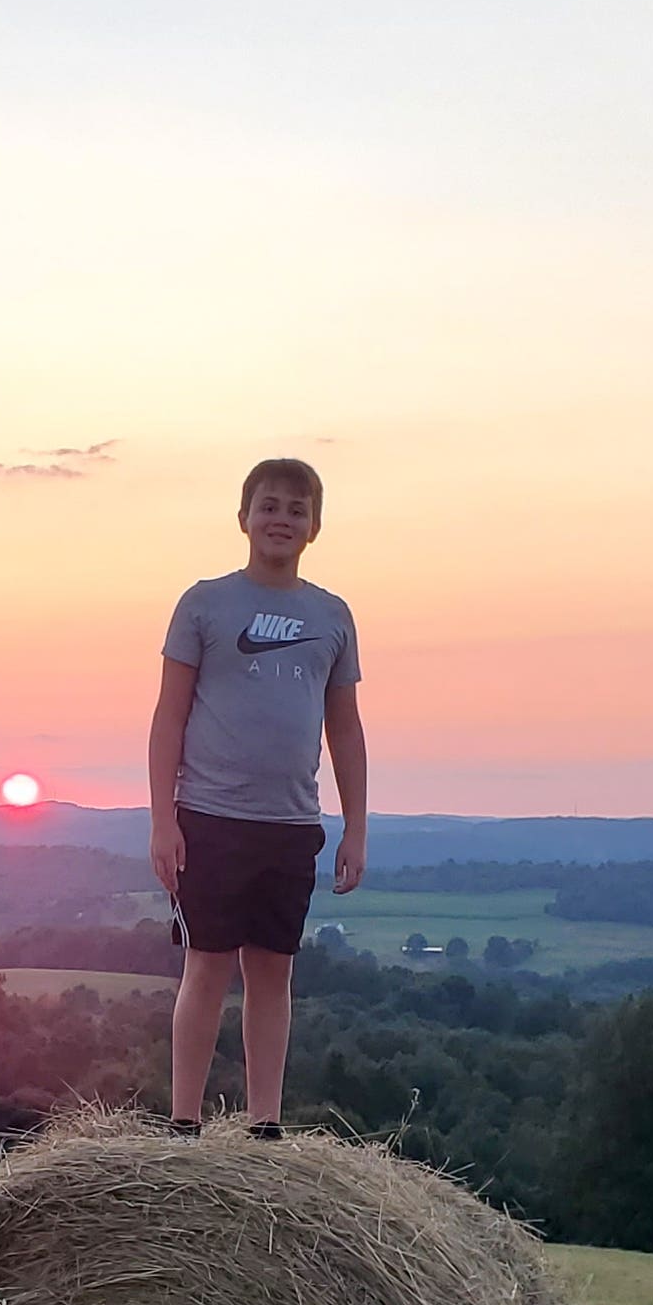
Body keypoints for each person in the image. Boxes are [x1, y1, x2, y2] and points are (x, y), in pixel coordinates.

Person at [148, 457, 366, 1134]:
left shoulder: (332, 615)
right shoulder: (205, 603)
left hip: (292, 822)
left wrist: (355, 827)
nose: (282, 519)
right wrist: (163, 821)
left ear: (315, 527)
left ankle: (262, 1125)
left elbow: (346, 727)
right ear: (243, 517)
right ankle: (184, 1122)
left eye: (297, 511)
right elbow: (168, 718)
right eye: (269, 505)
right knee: (206, 967)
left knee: (273, 973)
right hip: (210, 816)